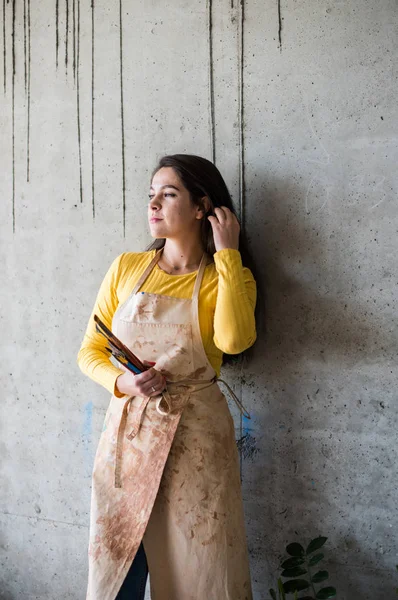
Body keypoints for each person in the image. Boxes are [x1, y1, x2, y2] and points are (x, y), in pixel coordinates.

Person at [77, 153, 257, 600]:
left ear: (202, 207)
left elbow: (234, 342)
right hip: (129, 439)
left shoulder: (227, 278)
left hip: (196, 440)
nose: (153, 204)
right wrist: (124, 383)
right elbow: (90, 351)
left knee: (201, 568)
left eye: (168, 194)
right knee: (118, 567)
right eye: (150, 195)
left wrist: (229, 254)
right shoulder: (125, 268)